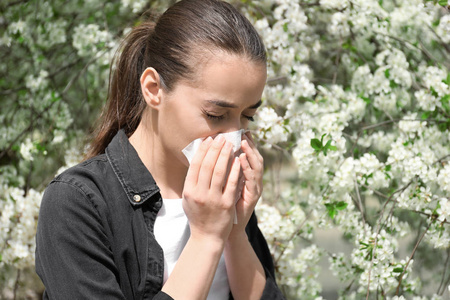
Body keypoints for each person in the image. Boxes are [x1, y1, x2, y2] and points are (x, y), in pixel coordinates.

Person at [35, 0, 285, 299]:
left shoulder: (224, 195)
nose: (234, 136)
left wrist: (234, 231)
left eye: (248, 116)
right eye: (216, 115)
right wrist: (206, 238)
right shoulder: (78, 202)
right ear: (154, 89)